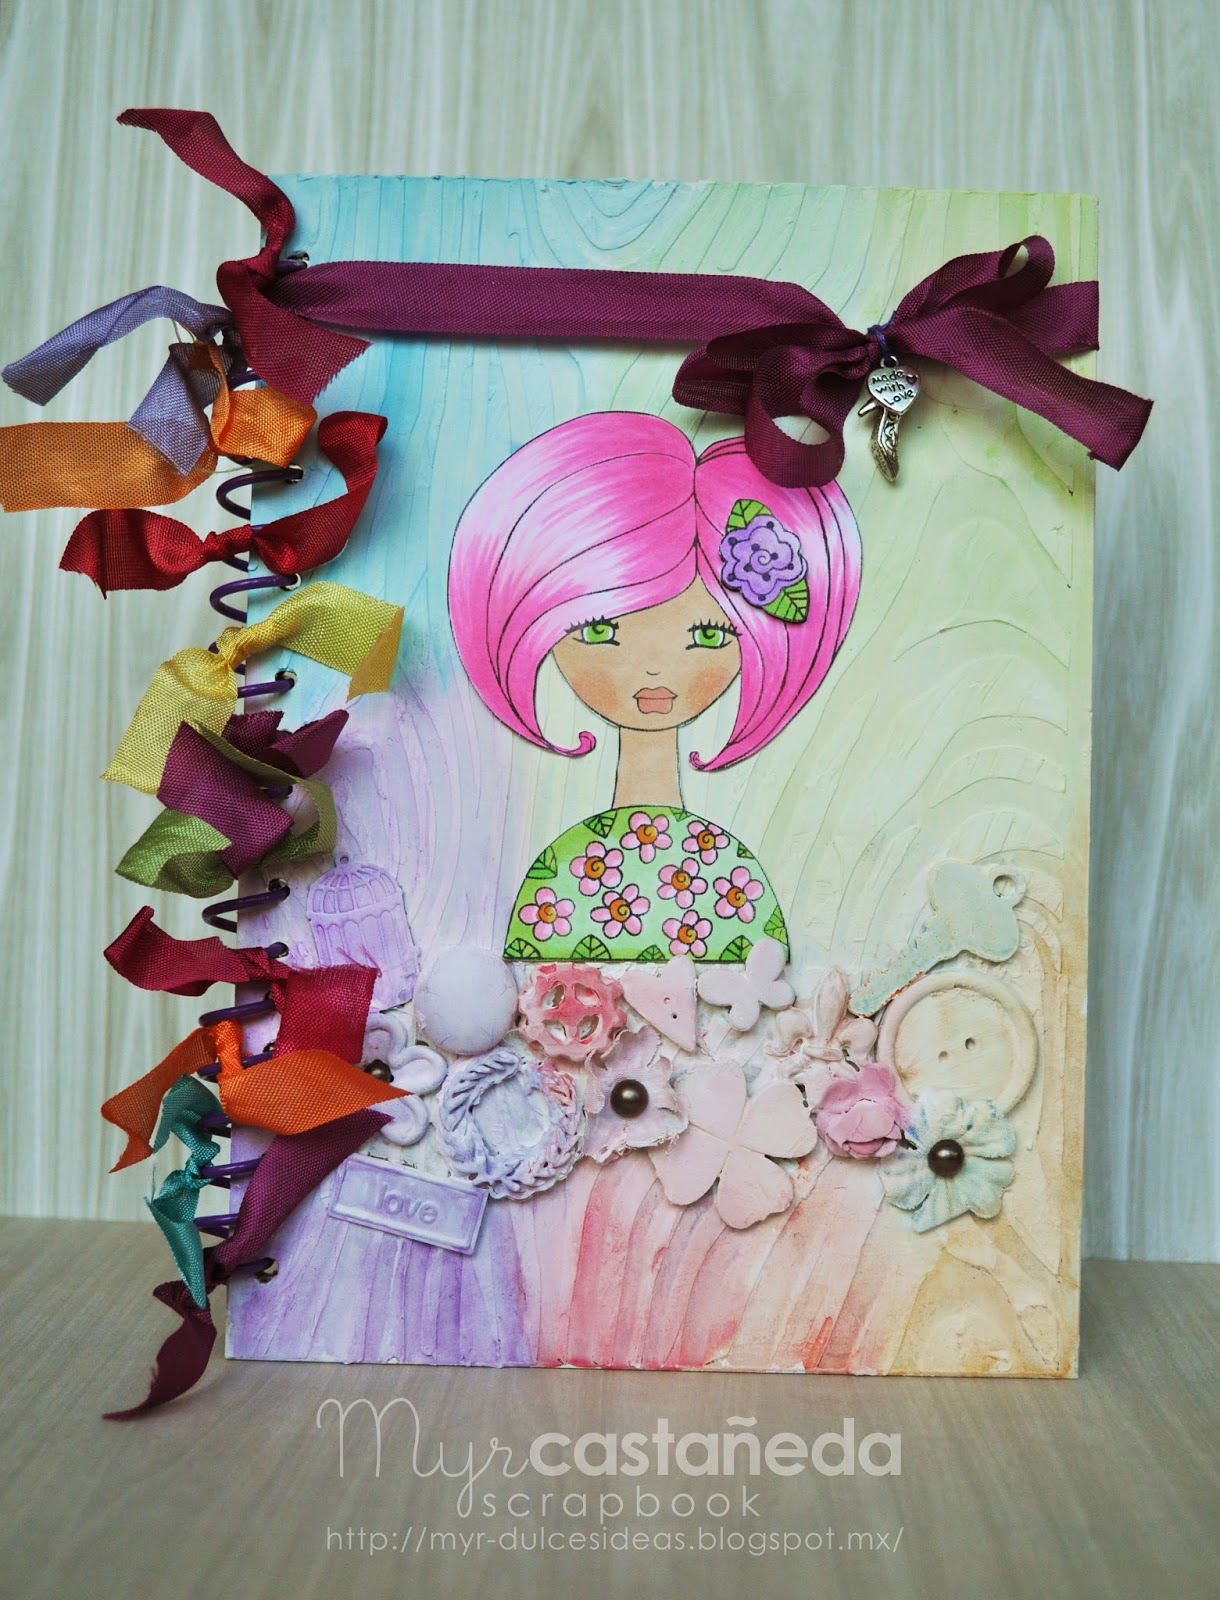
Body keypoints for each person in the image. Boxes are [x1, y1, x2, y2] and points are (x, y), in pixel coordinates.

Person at [448, 412, 861, 963]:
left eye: (709, 634)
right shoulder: (558, 890)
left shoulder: (731, 886)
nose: (651, 672)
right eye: (599, 631)